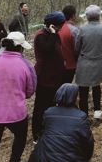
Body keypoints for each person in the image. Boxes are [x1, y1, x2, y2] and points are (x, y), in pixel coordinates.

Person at [0, 32, 36, 162]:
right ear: (21, 48)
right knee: (20, 138)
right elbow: (30, 91)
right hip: (16, 113)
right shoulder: (26, 65)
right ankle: (14, 159)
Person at [28, 83, 94, 162]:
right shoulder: (81, 117)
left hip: (45, 157)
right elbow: (88, 144)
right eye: (78, 96)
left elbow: (43, 134)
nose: (79, 98)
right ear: (75, 98)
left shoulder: (49, 113)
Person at [32, 12, 67, 142]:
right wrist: (53, 33)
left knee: (53, 105)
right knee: (41, 107)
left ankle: (49, 129)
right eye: (59, 26)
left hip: (55, 77)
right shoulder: (41, 36)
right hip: (44, 79)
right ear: (52, 25)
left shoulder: (54, 35)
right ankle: (37, 133)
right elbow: (46, 49)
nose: (61, 28)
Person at [75, 5, 102, 119]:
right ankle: (97, 111)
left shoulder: (82, 29)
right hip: (99, 61)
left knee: (83, 90)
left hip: (84, 62)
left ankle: (83, 115)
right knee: (96, 86)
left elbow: (77, 48)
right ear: (99, 16)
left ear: (87, 17)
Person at [59, 5, 79, 84]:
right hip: (71, 64)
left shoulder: (58, 28)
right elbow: (77, 48)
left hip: (59, 63)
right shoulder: (74, 30)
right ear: (73, 16)